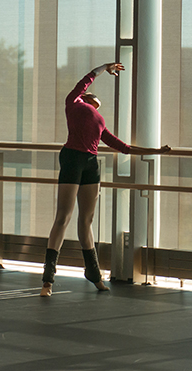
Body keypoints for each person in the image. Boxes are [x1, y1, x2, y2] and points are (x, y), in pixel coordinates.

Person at [40, 62, 170, 297]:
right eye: (94, 101)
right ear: (86, 98)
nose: (97, 106)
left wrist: (156, 151)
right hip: (72, 157)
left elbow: (124, 147)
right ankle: (48, 279)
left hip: (91, 163)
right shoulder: (74, 102)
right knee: (63, 216)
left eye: (98, 105)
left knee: (86, 220)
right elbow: (86, 79)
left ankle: (94, 273)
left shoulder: (100, 123)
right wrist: (105, 67)